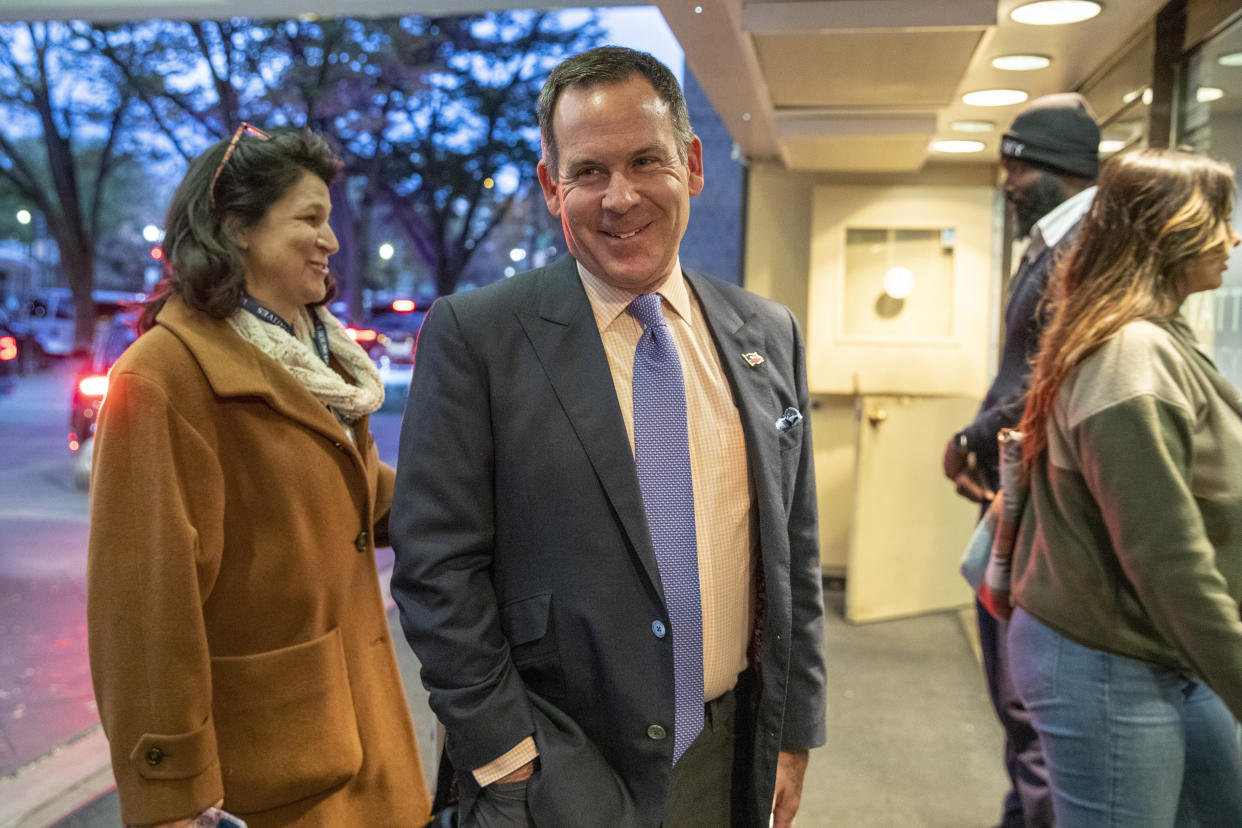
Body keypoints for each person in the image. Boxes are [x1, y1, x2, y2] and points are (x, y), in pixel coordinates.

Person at [390, 46, 826, 828]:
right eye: (589, 171)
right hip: (557, 765)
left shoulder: (768, 332)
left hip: (729, 756)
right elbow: (436, 570)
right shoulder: (477, 337)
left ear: (691, 164)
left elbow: (794, 549)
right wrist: (507, 759)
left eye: (645, 161)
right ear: (551, 187)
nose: (619, 197)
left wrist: (793, 732)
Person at [86, 125, 430, 827]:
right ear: (236, 228)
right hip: (270, 776)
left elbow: (351, 494)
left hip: (362, 741)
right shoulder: (163, 377)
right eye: (310, 218)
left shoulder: (314, 361)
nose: (331, 241)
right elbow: (145, 605)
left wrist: (489, 489)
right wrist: (171, 795)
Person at [1008, 147, 1242, 825]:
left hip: (1159, 648)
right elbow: (1166, 557)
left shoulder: (1159, 337)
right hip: (1109, 658)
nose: (1233, 237)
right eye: (1219, 218)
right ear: (1169, 228)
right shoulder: (1133, 354)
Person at [942, 93, 1100, 828]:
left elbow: (1047, 375)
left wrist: (974, 438)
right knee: (1018, 703)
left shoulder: (1087, 248)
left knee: (1029, 703)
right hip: (1017, 492)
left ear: (1055, 166)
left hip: (1043, 505)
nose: (1005, 180)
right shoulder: (1055, 242)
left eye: (1014, 164)